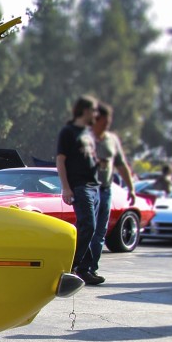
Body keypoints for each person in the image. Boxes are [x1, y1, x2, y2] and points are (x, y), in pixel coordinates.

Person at [85, 102, 137, 281]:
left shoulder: (111, 140)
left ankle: (91, 269)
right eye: (103, 122)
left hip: (105, 189)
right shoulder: (83, 137)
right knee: (87, 228)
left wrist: (131, 188)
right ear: (95, 119)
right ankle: (79, 266)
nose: (106, 126)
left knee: (100, 230)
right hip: (87, 188)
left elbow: (121, 164)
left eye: (108, 123)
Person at [55, 95, 102, 285]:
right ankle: (71, 266)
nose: (96, 114)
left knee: (89, 228)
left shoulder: (88, 133)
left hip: (94, 186)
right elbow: (61, 160)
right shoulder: (68, 132)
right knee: (87, 225)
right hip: (79, 187)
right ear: (84, 110)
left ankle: (85, 269)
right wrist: (66, 188)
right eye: (94, 110)